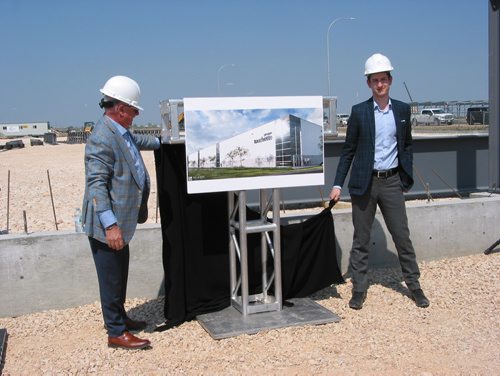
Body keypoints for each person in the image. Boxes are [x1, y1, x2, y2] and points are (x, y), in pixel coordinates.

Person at [329, 53, 429, 310]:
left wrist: (406, 178)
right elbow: (348, 151)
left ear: (390, 81)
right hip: (365, 184)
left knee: (402, 236)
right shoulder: (359, 112)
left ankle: (414, 286)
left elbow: (406, 146)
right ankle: (359, 289)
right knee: (360, 240)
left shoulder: (403, 111)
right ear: (369, 83)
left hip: (392, 182)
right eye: (375, 80)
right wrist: (338, 184)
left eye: (383, 79)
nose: (380, 84)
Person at [82, 75, 160, 349]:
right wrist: (110, 225)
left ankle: (120, 317)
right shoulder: (102, 138)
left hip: (122, 223)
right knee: (111, 277)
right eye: (135, 110)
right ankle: (115, 332)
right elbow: (96, 186)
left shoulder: (118, 130)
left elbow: (137, 141)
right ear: (121, 109)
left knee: (120, 273)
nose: (137, 115)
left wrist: (167, 141)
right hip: (109, 225)